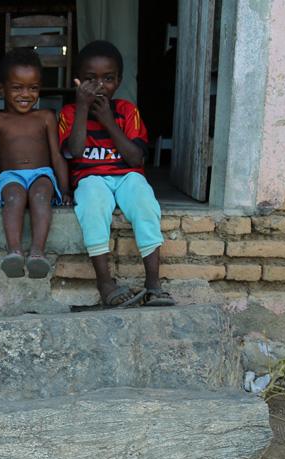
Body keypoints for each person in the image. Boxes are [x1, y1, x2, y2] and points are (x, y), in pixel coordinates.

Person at [58, 40, 175, 307]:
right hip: (90, 178)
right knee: (92, 205)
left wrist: (108, 122)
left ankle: (154, 284)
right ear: (77, 82)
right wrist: (84, 109)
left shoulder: (126, 111)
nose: (99, 86)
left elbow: (135, 157)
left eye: (108, 79)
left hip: (128, 176)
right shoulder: (69, 113)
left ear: (119, 81)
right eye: (90, 79)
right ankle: (104, 282)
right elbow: (75, 151)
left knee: (145, 203)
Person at [0, 48, 70, 279]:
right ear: (1, 88)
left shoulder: (46, 116)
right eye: (17, 88)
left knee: (40, 196)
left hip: (42, 174)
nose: (25, 94)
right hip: (10, 175)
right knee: (14, 198)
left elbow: (57, 155)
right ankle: (14, 252)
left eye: (33, 88)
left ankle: (38, 253)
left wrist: (66, 189)